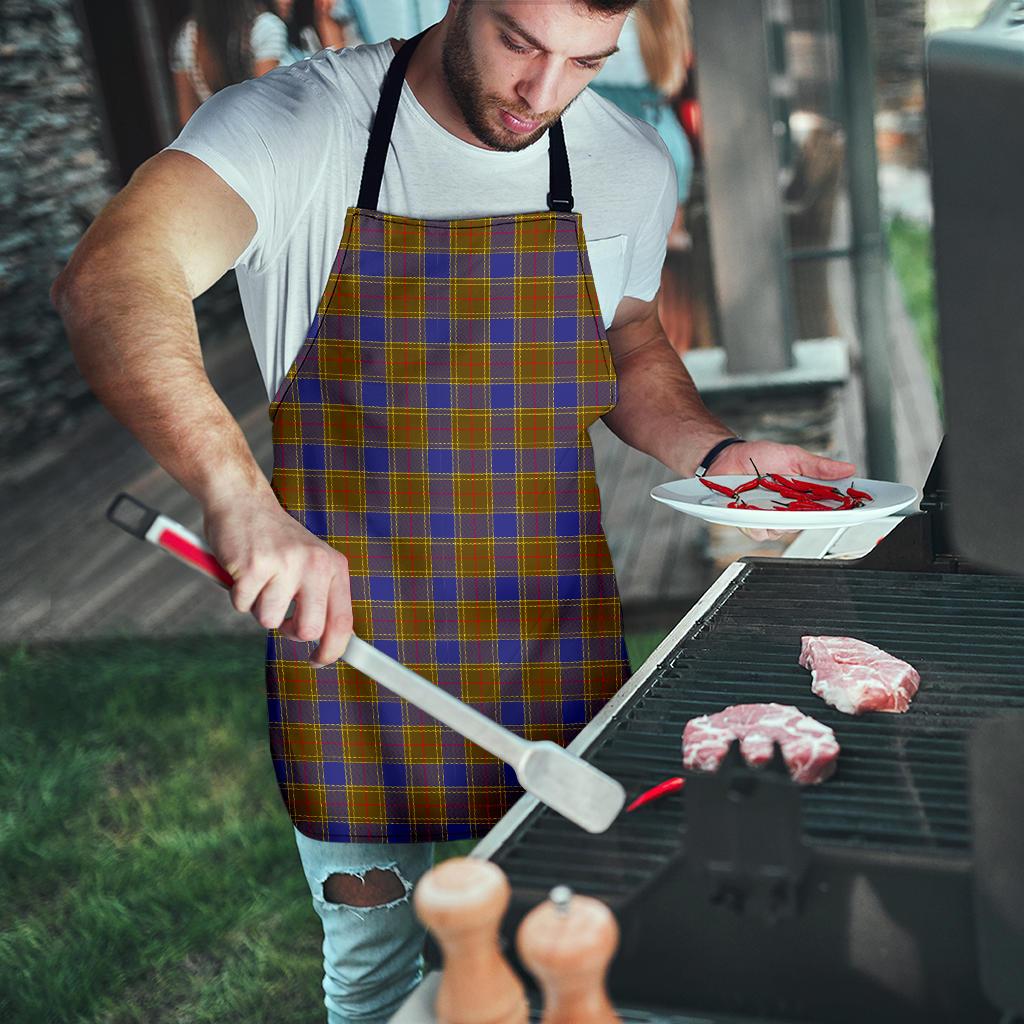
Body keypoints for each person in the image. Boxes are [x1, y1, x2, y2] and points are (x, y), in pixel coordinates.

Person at [53, 2, 856, 1020]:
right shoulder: (298, 125)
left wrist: (717, 449)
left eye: (585, 62)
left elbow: (628, 334)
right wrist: (239, 499)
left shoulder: (624, 161)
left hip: (550, 637)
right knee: (378, 976)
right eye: (521, 43)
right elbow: (113, 275)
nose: (543, 93)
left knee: (569, 953)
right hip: (348, 651)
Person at [170, 0, 289, 128]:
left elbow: (187, 119)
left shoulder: (187, 36)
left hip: (217, 141)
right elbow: (268, 107)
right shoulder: (265, 27)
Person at [275, 0, 351, 63]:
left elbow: (339, 61)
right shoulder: (271, 26)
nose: (288, 2)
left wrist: (323, 16)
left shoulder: (306, 28)